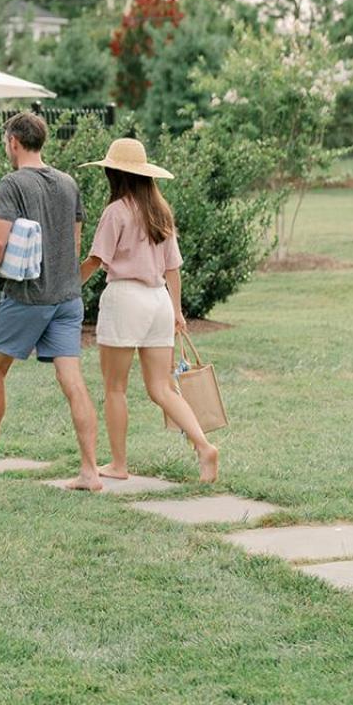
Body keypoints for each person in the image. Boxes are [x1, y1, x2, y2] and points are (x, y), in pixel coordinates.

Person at [0, 111, 102, 491]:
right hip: (67, 298)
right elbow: (75, 244)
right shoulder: (68, 183)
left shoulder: (12, 183)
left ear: (14, 142)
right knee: (73, 381)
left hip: (28, 296)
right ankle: (90, 472)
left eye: (6, 143)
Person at [79, 137, 220, 484]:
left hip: (125, 298)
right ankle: (203, 446)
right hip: (158, 300)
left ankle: (118, 464)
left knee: (115, 388)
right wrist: (176, 310)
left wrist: (66, 287)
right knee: (162, 388)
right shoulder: (161, 212)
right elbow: (173, 268)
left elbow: (97, 260)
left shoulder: (116, 211)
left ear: (114, 173)